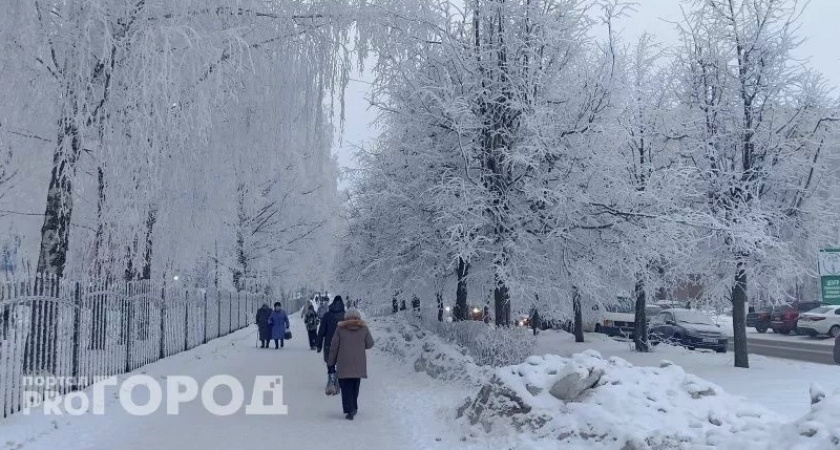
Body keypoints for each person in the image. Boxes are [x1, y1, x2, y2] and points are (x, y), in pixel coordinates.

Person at [327, 308, 374, 420]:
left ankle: (349, 409)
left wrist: (331, 362)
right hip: (359, 363)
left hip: (344, 364)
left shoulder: (340, 329)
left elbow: (334, 347)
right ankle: (354, 407)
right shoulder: (364, 328)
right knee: (355, 386)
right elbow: (370, 344)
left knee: (346, 387)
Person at [317, 295, 346, 374]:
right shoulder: (346, 316)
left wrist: (318, 345)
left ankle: (331, 377)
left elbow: (321, 331)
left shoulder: (327, 315)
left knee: (330, 363)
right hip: (343, 344)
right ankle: (339, 378)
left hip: (329, 343)